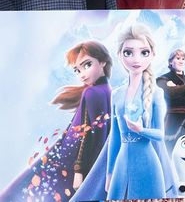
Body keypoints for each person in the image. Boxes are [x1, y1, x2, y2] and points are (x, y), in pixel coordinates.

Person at [0, 41, 113, 202]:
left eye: (87, 65)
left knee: (29, 189)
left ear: (102, 62)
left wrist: (79, 170)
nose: (82, 74)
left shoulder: (92, 93)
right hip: (75, 157)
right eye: (77, 70)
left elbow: (88, 135)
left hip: (70, 159)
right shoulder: (107, 91)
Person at [105, 24, 174, 199]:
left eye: (144, 52)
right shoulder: (116, 94)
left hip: (148, 164)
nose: (136, 59)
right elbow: (114, 136)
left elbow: (160, 135)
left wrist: (141, 130)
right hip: (121, 163)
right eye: (128, 52)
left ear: (152, 54)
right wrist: (109, 172)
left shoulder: (156, 93)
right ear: (119, 55)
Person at [156, 48, 185, 153]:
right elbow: (170, 93)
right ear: (170, 62)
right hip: (172, 119)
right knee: (169, 151)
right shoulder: (163, 78)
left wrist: (177, 88)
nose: (181, 61)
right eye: (178, 58)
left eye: (183, 59)